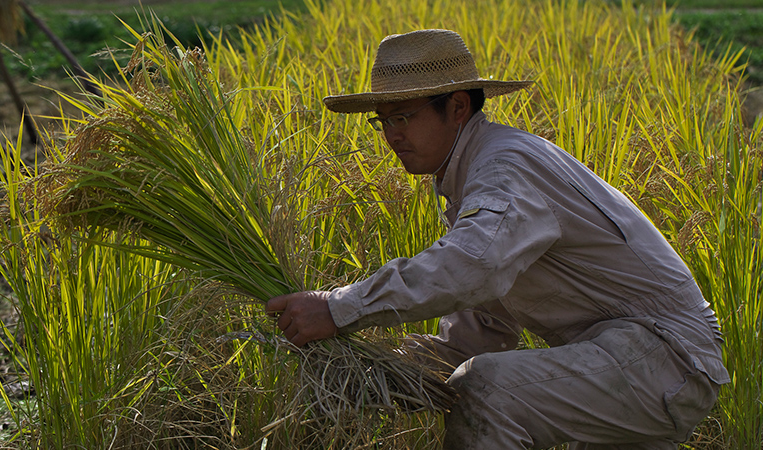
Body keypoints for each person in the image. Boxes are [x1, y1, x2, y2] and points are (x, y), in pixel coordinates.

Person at [265, 29, 728, 449]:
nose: (391, 135)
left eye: (403, 116)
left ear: (458, 107)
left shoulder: (504, 166)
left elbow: (473, 266)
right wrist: (371, 371)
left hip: (664, 355)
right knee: (479, 376)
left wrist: (339, 308)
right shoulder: (468, 182)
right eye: (382, 121)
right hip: (627, 360)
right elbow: (480, 335)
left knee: (485, 388)